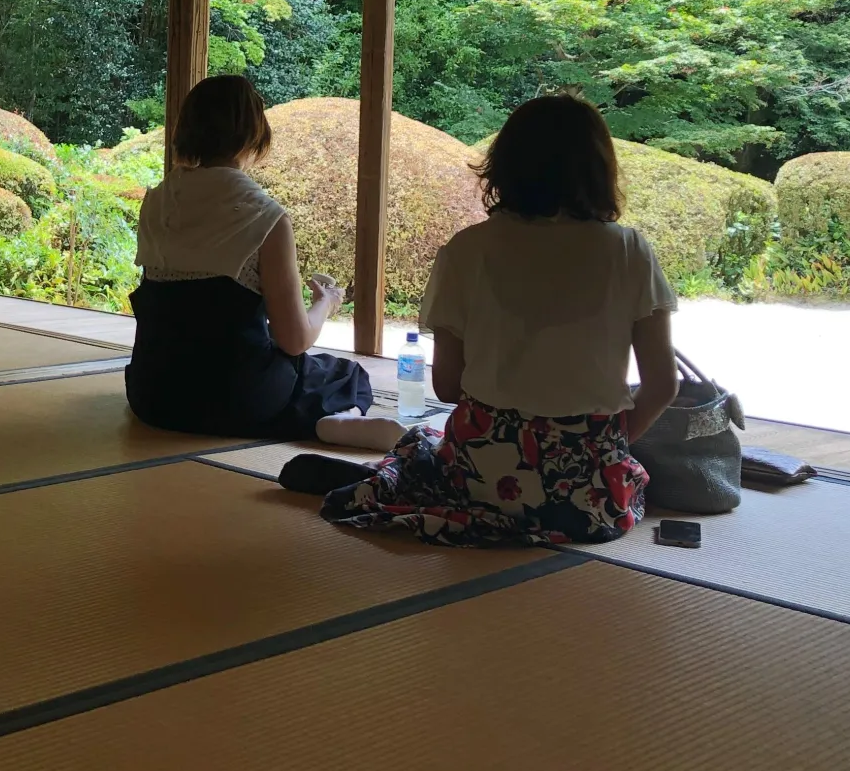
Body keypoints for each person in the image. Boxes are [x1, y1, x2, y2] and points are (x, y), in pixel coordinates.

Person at [285, 93, 677, 546]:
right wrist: (597, 447)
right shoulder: (629, 251)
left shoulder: (468, 250)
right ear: (599, 167)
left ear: (504, 166)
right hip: (589, 502)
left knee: (425, 447)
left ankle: (384, 471)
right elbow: (662, 386)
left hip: (480, 478)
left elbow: (449, 388)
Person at [126, 75, 398, 448]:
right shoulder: (264, 216)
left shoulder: (156, 201)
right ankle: (331, 422)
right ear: (253, 136)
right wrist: (326, 303)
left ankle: (322, 420)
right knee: (339, 374)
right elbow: (295, 340)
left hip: (153, 394)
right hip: (235, 397)